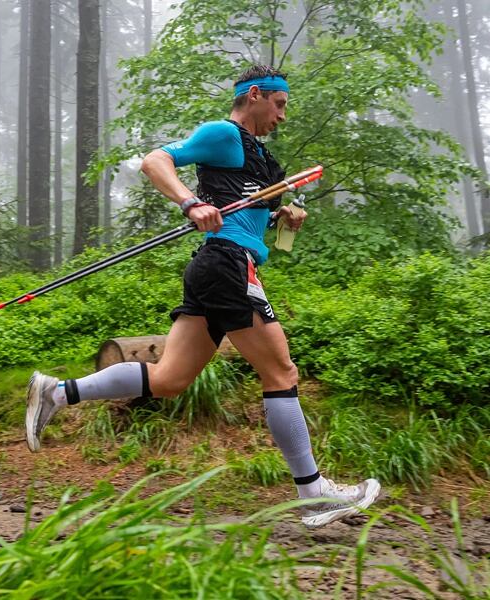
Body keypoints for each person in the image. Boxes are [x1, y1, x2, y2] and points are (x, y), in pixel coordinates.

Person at [26, 65, 381, 528]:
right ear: (254, 95)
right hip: (226, 265)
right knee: (281, 371)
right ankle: (312, 494)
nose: (283, 116)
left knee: (170, 379)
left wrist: (283, 221)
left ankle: (56, 392)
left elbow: (256, 222)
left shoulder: (260, 162)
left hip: (222, 266)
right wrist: (190, 202)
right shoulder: (224, 135)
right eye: (280, 104)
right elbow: (156, 160)